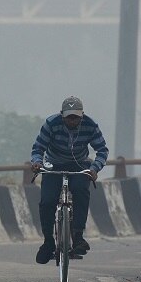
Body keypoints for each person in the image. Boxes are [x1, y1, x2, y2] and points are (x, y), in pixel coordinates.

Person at [29, 96, 109, 264]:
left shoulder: (90, 125)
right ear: (62, 115)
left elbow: (102, 150)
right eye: (69, 117)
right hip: (54, 165)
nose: (72, 121)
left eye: (76, 117)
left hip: (80, 165)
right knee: (47, 201)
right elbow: (38, 148)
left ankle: (78, 236)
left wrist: (94, 169)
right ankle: (48, 241)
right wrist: (37, 162)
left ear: (82, 115)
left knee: (81, 191)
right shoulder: (51, 124)